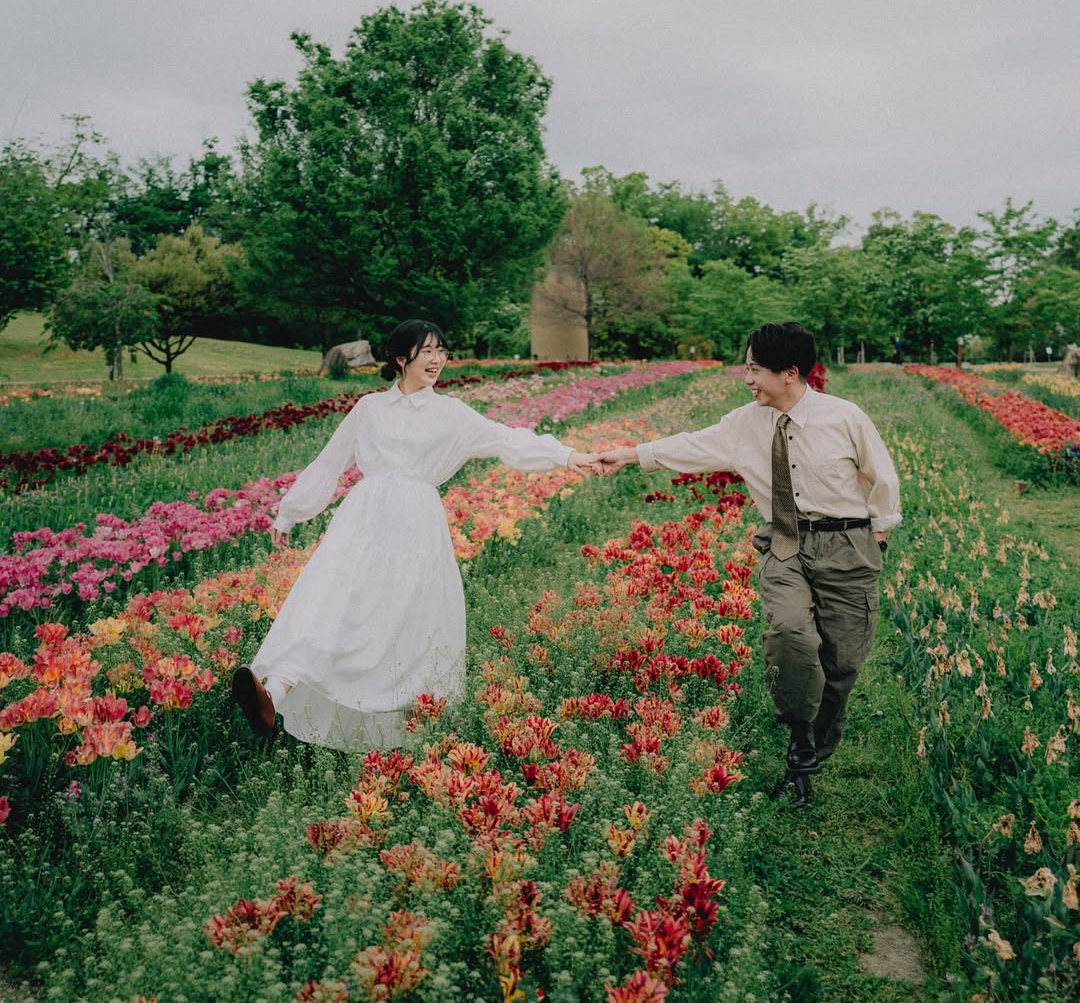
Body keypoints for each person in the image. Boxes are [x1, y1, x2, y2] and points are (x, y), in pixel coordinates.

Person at [231, 319, 599, 751]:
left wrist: (569, 455)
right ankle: (273, 694)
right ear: (401, 357)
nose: (438, 359)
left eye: (442, 351)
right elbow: (329, 463)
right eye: (428, 351)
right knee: (329, 603)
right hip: (362, 524)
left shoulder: (451, 414)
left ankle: (413, 731)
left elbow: (507, 441)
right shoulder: (369, 409)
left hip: (417, 527)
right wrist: (290, 514)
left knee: (409, 618)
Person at [598, 321, 901, 806]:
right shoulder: (744, 423)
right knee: (790, 633)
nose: (747, 378)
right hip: (785, 544)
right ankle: (800, 747)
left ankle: (816, 745)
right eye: (747, 368)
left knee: (840, 665)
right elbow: (692, 445)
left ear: (791, 373)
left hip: (847, 545)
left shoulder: (844, 417)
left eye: (755, 369)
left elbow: (880, 475)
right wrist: (630, 455)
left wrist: (879, 531)